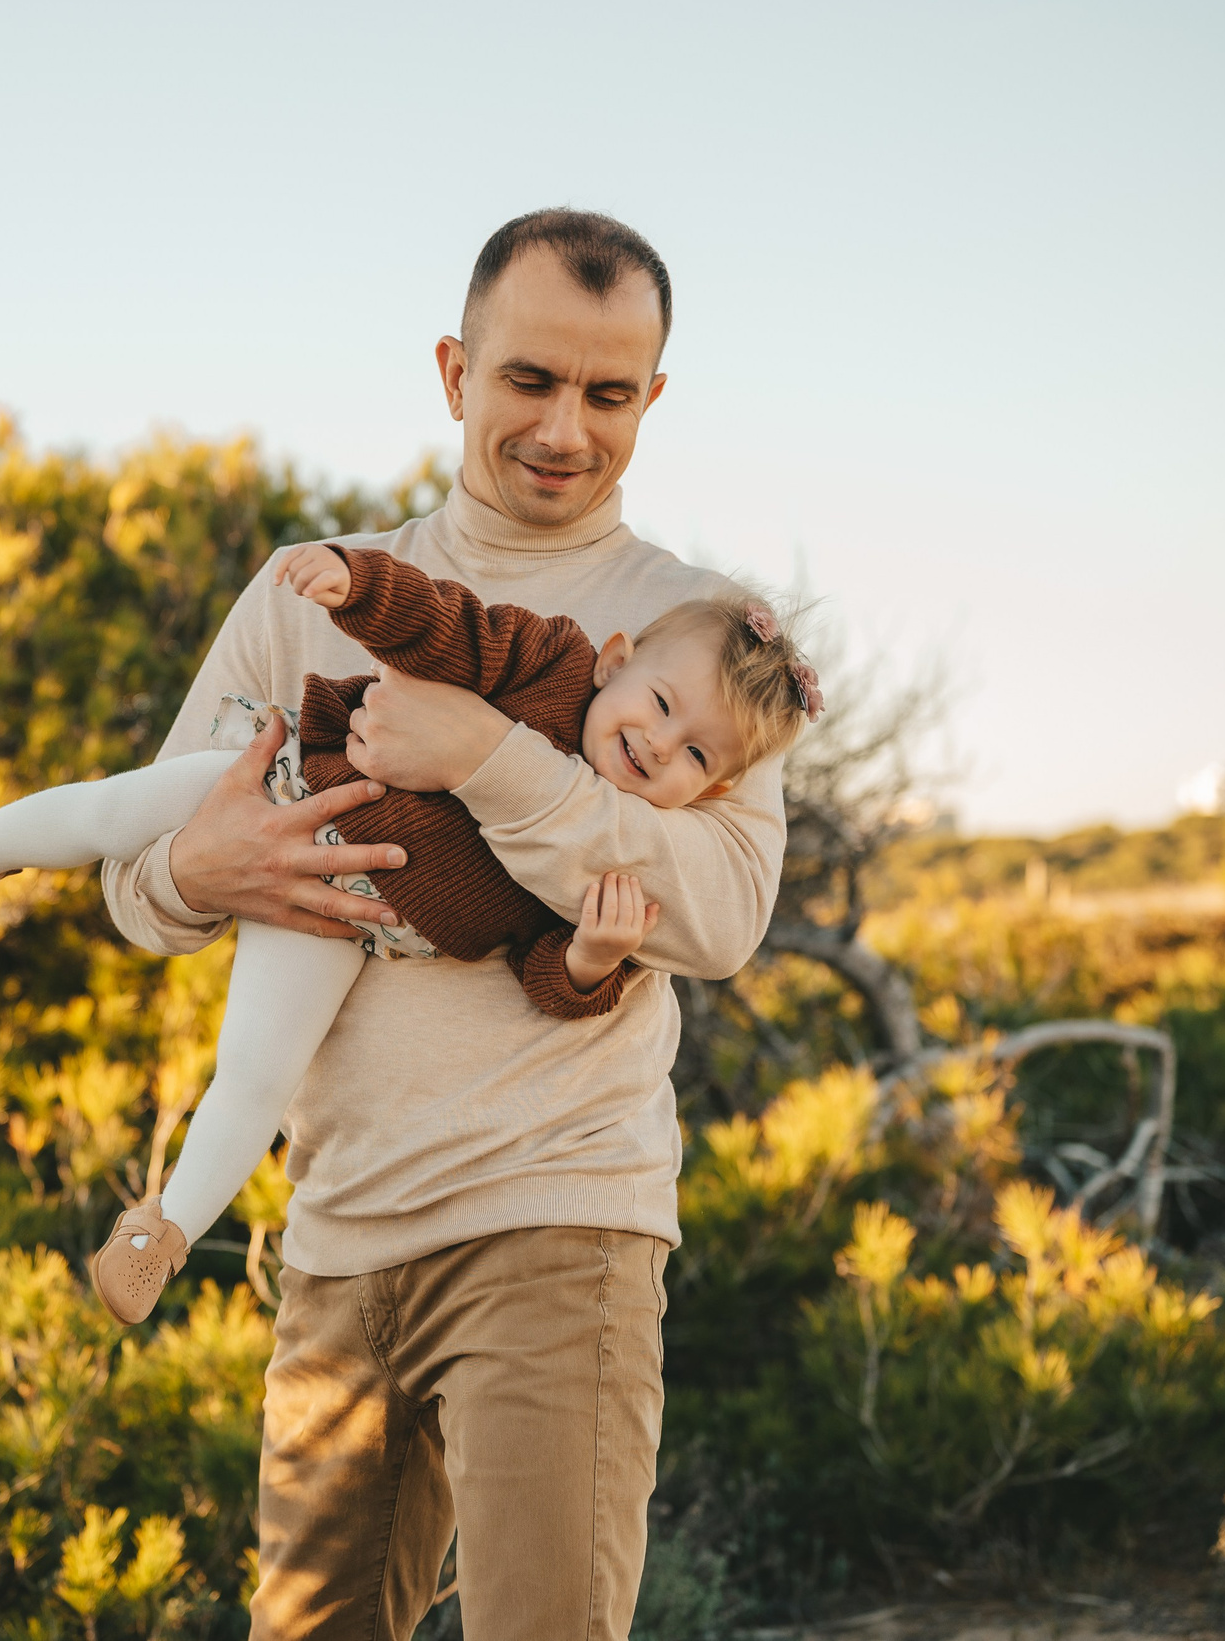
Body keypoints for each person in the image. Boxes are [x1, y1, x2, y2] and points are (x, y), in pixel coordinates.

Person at [100, 209, 788, 1639]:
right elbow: (135, 878)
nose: (563, 427)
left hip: (560, 1216)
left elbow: (719, 910)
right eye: (528, 379)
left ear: (652, 399)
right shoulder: (312, 590)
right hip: (337, 1234)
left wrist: (484, 753)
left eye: (609, 395)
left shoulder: (698, 637)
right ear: (453, 370)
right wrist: (197, 873)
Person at [0, 545, 816, 1329]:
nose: (658, 742)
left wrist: (590, 961)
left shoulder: (607, 848)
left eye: (694, 753)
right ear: (611, 662)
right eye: (656, 704)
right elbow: (449, 625)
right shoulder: (548, 661)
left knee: (258, 1072)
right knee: (117, 809)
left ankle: (160, 1231)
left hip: (345, 914)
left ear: (714, 789)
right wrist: (357, 586)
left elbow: (541, 974)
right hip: (292, 786)